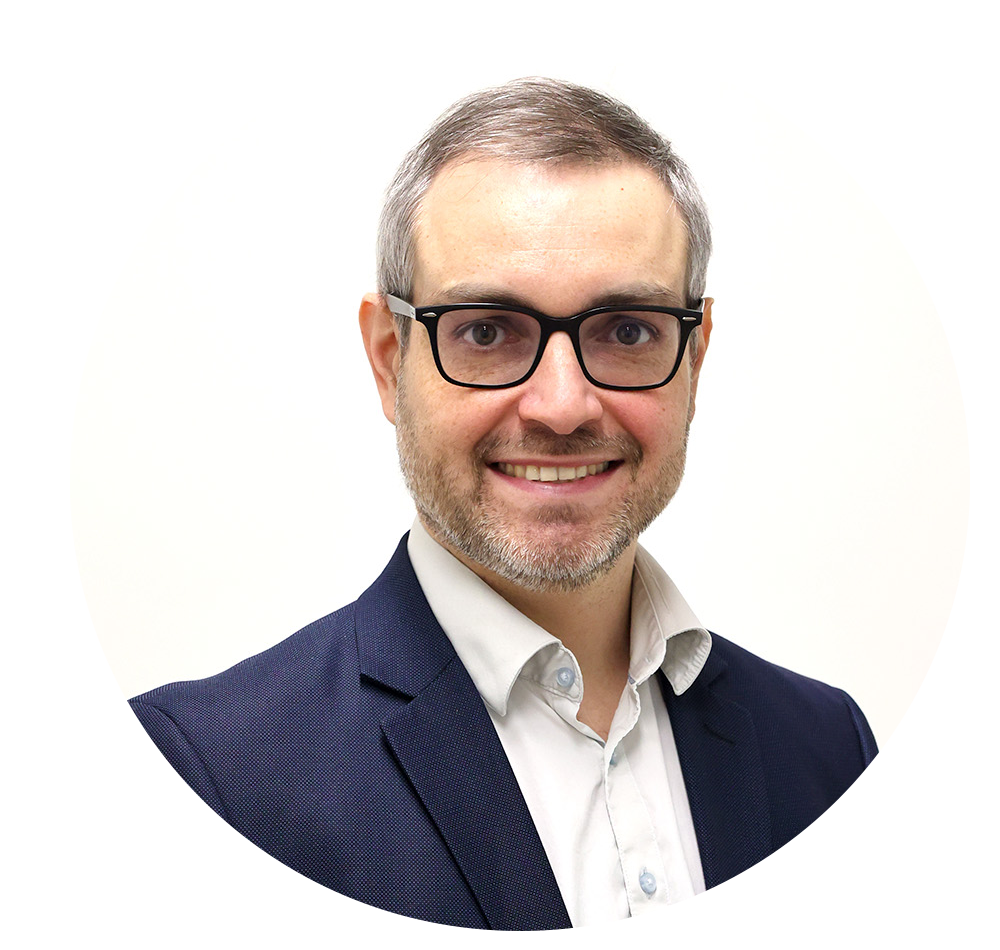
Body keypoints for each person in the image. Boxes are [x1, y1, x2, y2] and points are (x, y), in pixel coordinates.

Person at [74, 78, 906, 931]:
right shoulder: (212, 781)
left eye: (627, 331)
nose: (562, 406)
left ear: (693, 362)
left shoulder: (827, 754)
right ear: (388, 358)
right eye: (485, 331)